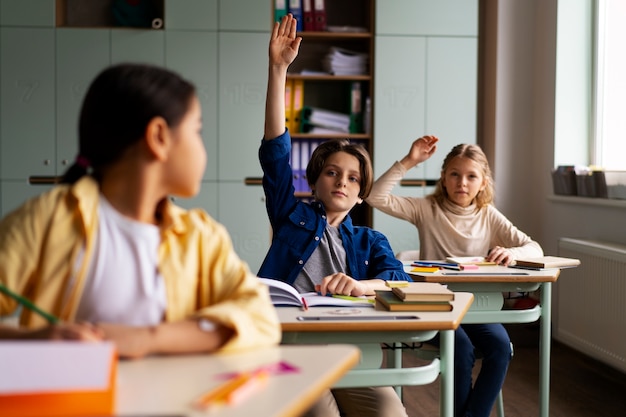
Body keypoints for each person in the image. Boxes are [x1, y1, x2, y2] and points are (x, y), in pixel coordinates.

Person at [0, 63, 281, 358]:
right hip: (68, 402)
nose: (202, 148)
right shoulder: (49, 218)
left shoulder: (200, 236)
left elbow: (261, 317)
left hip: (177, 404)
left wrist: (149, 338)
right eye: (197, 130)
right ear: (159, 136)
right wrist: (35, 340)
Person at [258, 14, 411, 417]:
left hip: (350, 353)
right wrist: (278, 71)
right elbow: (275, 155)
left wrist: (363, 287)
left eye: (353, 178)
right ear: (316, 181)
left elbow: (399, 279)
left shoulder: (370, 242)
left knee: (390, 414)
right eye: (332, 172)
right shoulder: (291, 216)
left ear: (361, 195)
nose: (342, 182)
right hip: (292, 348)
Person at [366, 135, 544, 417]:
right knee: (460, 348)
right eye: (455, 175)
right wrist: (410, 161)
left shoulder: (488, 215)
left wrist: (512, 253)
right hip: (438, 307)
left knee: (500, 348)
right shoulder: (426, 209)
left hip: (477, 308)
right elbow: (375, 196)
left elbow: (534, 247)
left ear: (483, 182)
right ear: (444, 178)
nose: (462, 183)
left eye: (471, 176)